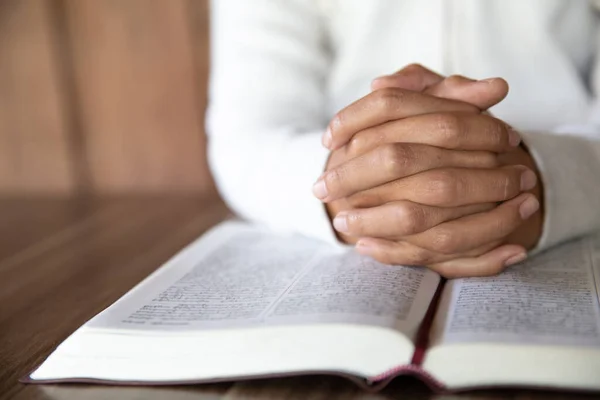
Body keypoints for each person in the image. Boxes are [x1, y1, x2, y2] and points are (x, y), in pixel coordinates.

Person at [206, 0, 600, 277]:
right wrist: (348, 189)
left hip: (566, 215)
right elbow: (249, 133)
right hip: (356, 220)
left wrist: (544, 183)